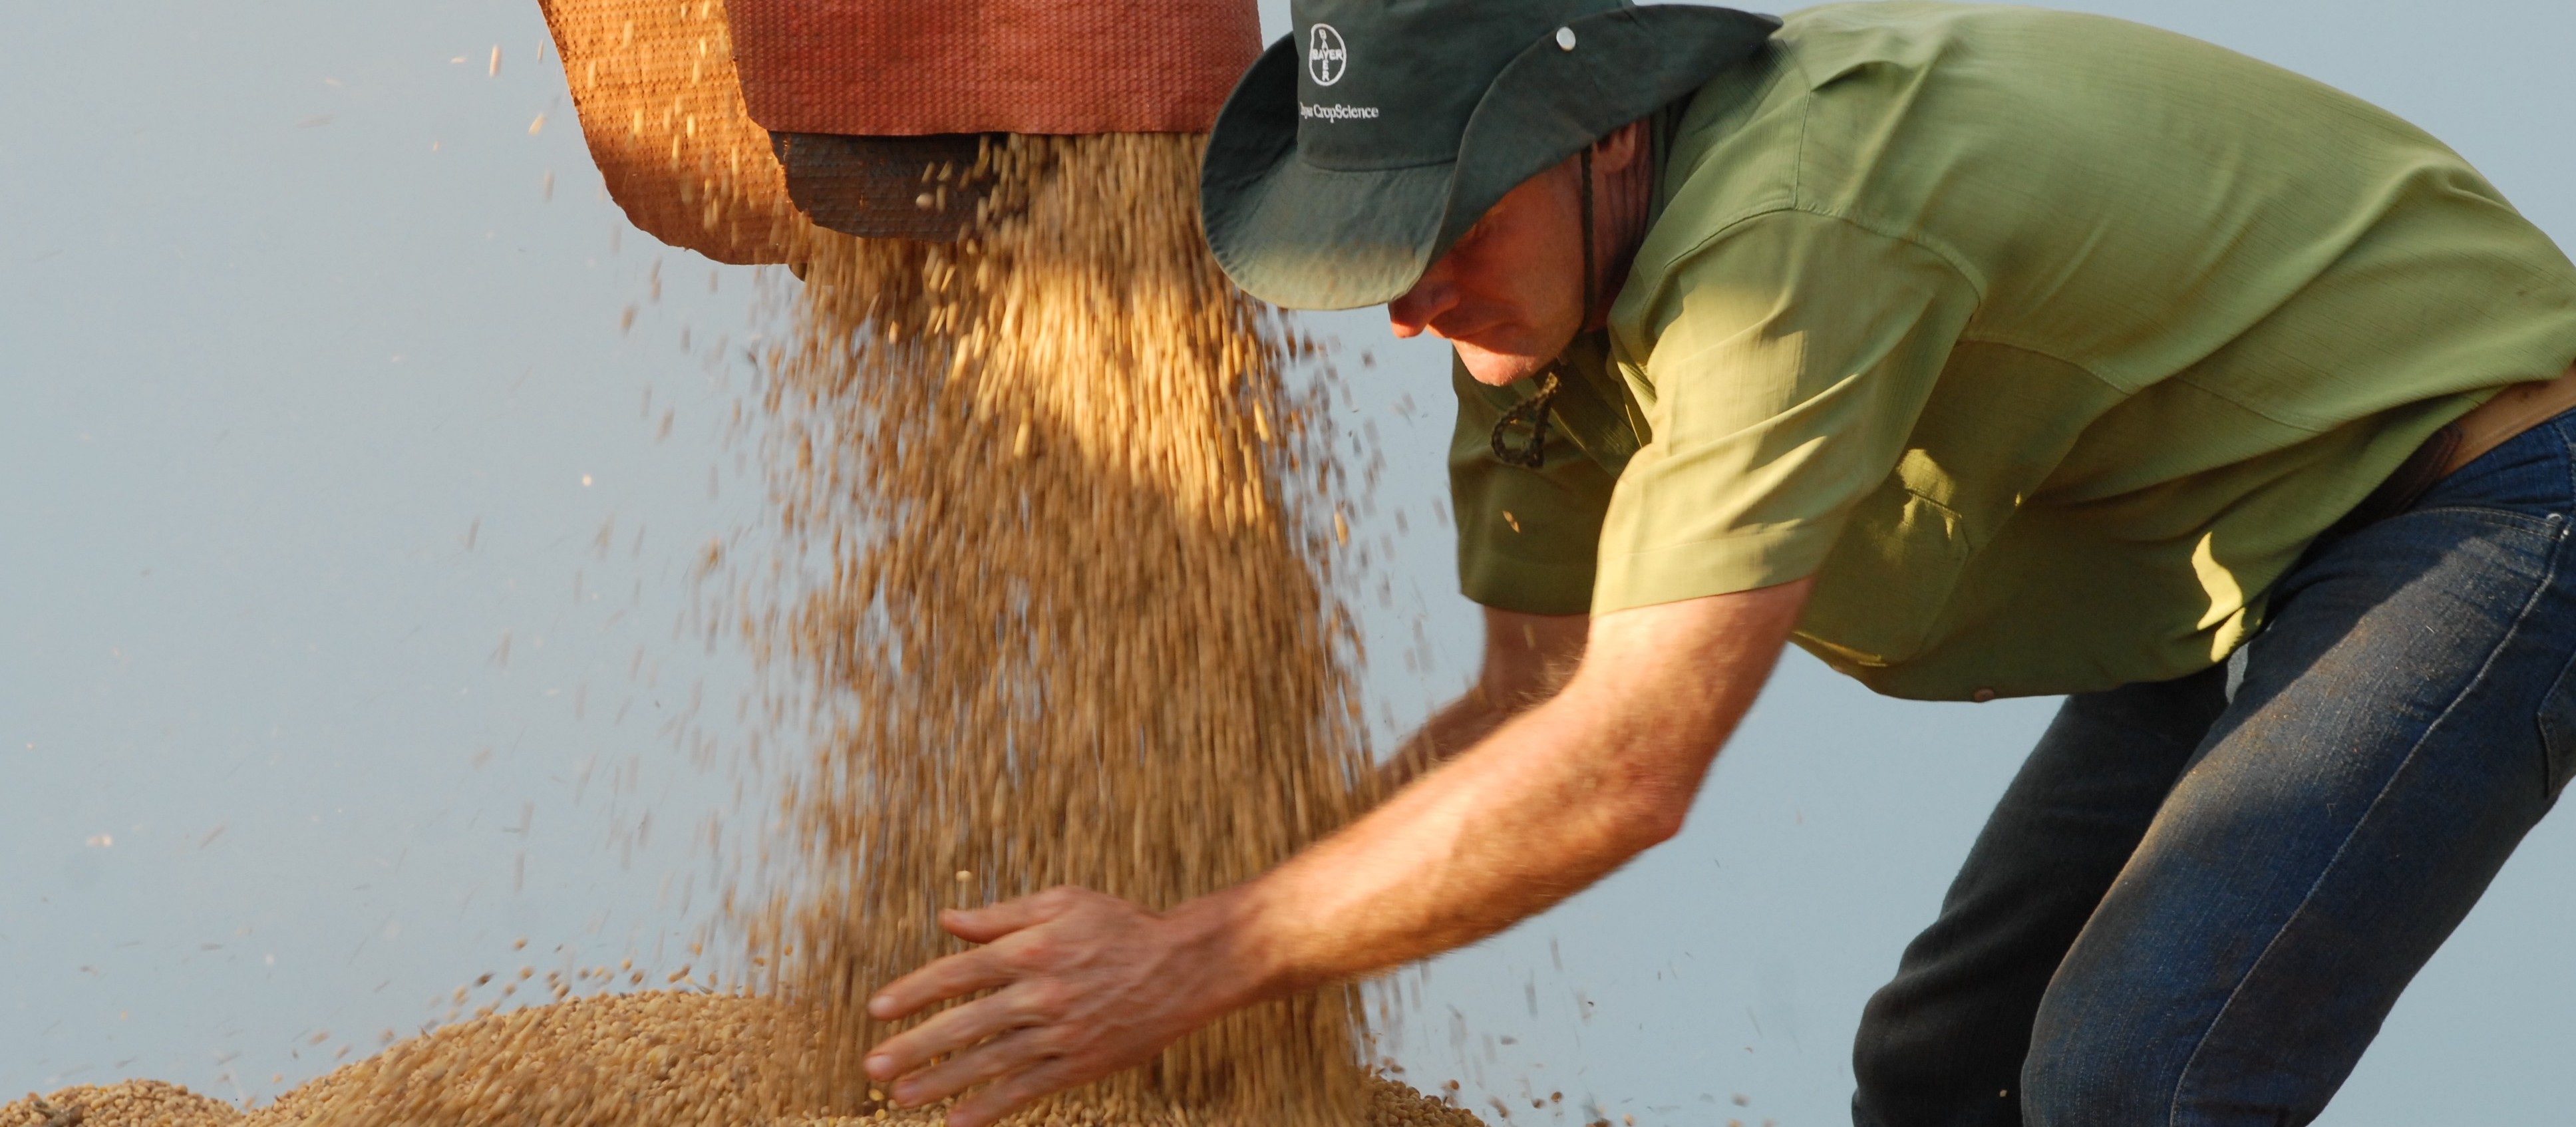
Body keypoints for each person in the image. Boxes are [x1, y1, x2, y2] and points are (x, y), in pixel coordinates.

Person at [860, 2, 2576, 1124]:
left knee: (2139, 1076)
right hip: (2245, 553)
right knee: (1941, 1071)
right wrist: (1203, 938)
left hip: (2487, 492)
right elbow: (1527, 711)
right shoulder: (1525, 327)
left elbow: (1621, 771)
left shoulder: (1776, 237)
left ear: (1604, 130)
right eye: (1369, 252)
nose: (1407, 300)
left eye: (1441, 226)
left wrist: (1196, 962)